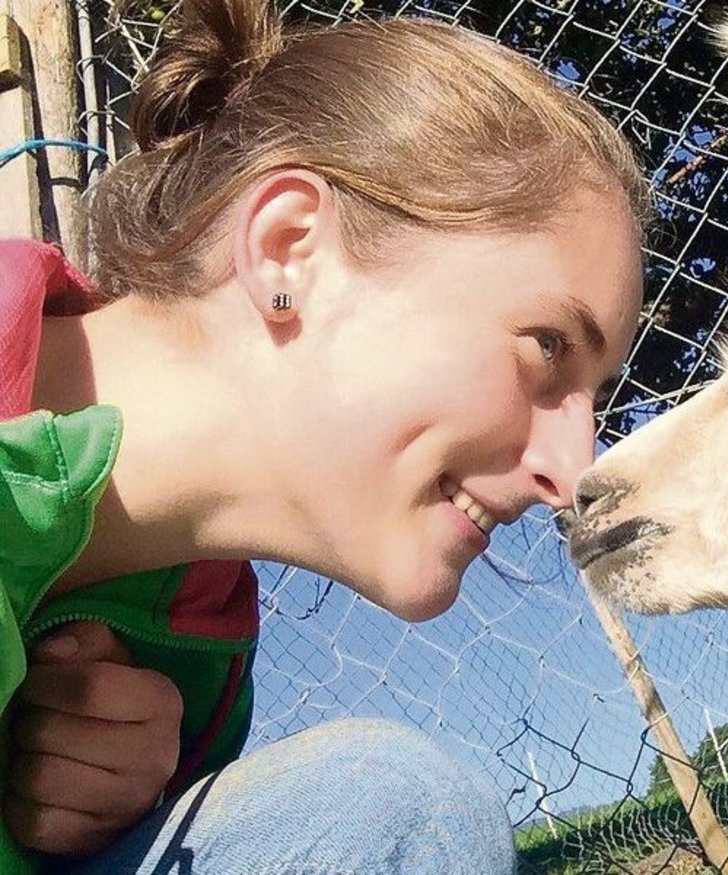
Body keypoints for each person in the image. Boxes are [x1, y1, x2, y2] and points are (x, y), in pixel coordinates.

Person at [0, 0, 648, 871]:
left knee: (387, 811)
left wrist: (95, 827)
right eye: (547, 348)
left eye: (594, 395)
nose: (574, 474)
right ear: (289, 249)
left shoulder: (191, 661)